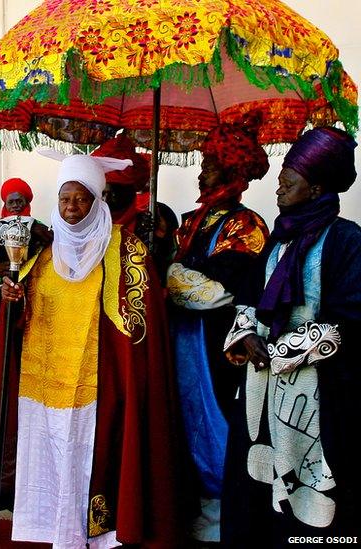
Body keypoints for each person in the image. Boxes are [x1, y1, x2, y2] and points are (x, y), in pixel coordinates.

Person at [0, 153, 188, 547]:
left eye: (81, 199)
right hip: (41, 392)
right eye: (64, 199)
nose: (71, 208)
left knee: (93, 464)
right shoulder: (40, 250)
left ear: (98, 200)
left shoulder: (128, 252)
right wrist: (12, 299)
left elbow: (139, 330)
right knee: (51, 468)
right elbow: (20, 314)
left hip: (98, 388)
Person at [222, 127, 361, 545]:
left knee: (313, 486)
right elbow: (248, 298)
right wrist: (245, 335)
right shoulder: (279, 240)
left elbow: (348, 319)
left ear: (316, 187)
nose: (279, 186)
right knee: (254, 484)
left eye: (289, 179)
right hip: (261, 387)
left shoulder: (346, 240)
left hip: (319, 391)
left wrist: (280, 352)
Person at [166, 111, 271, 543]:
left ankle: (222, 522)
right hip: (181, 340)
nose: (202, 172)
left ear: (230, 170)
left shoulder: (246, 226)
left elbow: (219, 291)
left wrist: (171, 273)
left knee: (216, 425)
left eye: (209, 164)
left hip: (217, 347)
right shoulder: (191, 222)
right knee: (180, 420)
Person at [92, 135, 179, 277]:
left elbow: (162, 269)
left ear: (130, 193)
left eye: (114, 193)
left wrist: (160, 238)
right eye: (102, 193)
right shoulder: (89, 223)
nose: (106, 200)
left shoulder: (150, 221)